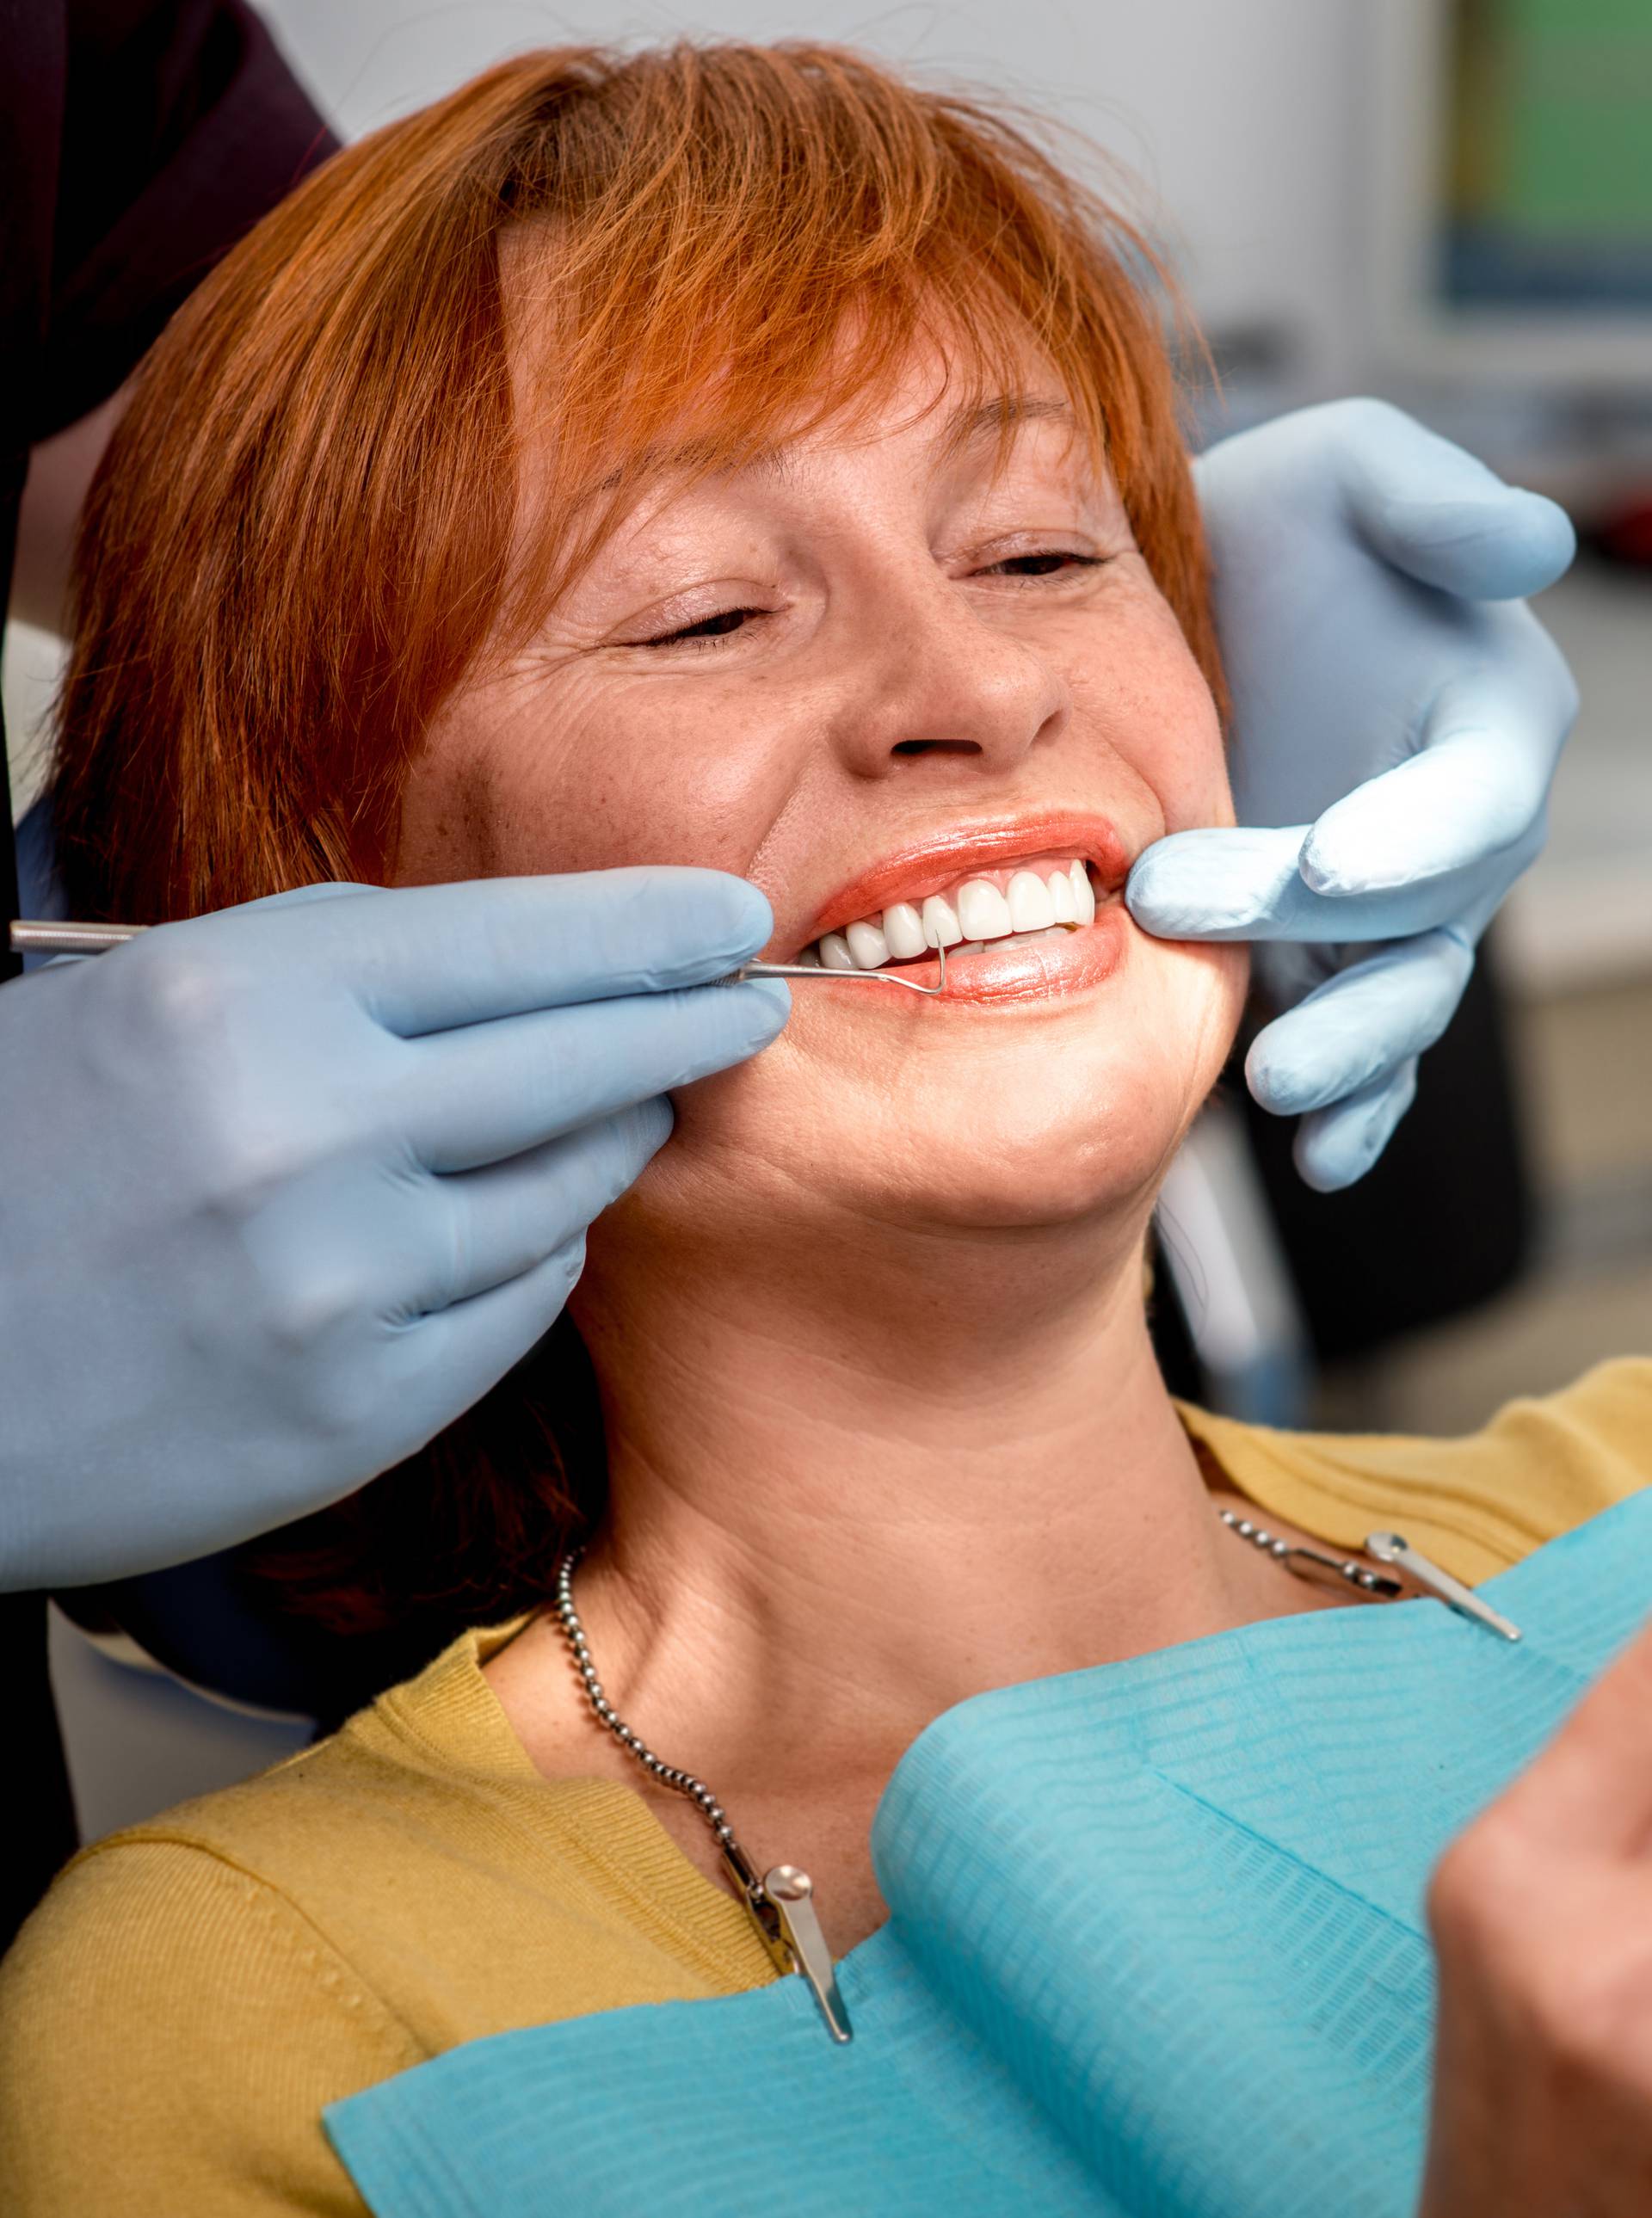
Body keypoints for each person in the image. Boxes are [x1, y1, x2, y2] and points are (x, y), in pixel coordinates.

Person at [0, 44, 1641, 2215]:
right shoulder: (249, 2015)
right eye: (705, 610)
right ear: (317, 914)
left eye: (1053, 546)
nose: (974, 681)